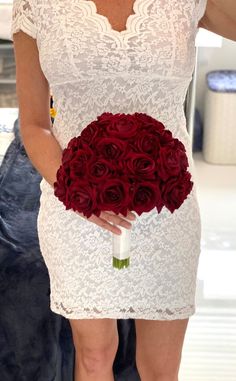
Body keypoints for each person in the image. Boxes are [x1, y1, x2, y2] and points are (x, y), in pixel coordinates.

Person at [10, 1, 236, 380]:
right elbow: (34, 124)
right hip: (74, 205)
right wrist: (78, 191)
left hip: (167, 207)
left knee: (160, 369)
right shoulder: (35, 4)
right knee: (94, 355)